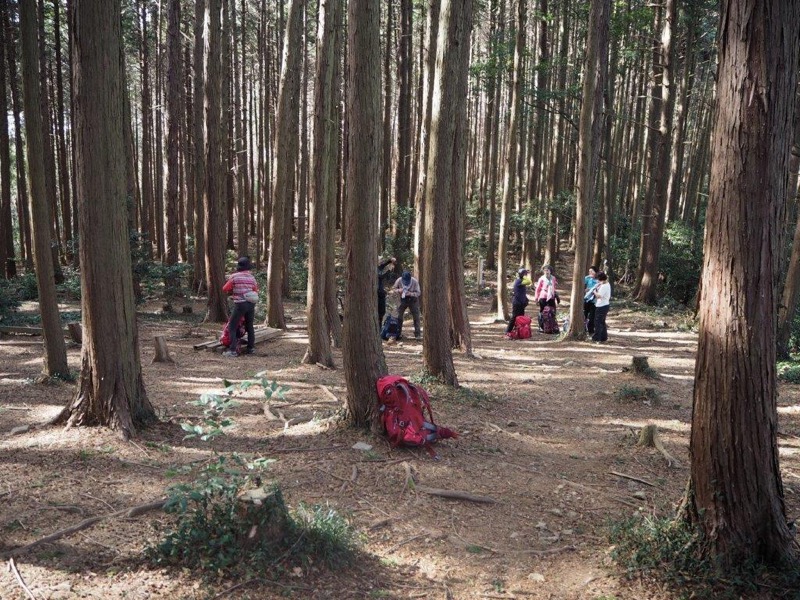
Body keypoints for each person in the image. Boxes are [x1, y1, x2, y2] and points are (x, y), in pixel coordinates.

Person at [222, 256, 258, 356]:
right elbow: (255, 289)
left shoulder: (234, 277)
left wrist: (234, 290)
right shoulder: (252, 277)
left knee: (232, 326)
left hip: (240, 305)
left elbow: (225, 288)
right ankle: (251, 349)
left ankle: (233, 350)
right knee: (250, 326)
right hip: (251, 304)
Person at [391, 271, 422, 340]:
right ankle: (398, 334)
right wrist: (399, 290)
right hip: (402, 300)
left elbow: (418, 292)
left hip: (413, 300)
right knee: (399, 316)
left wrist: (410, 293)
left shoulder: (414, 282)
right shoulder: (399, 280)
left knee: (416, 316)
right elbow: (393, 289)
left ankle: (418, 334)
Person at [506, 268, 531, 334]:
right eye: (525, 274)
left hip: (521, 303)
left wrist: (525, 300)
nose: (526, 275)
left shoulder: (521, 281)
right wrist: (525, 275)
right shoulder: (519, 281)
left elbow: (521, 293)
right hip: (517, 303)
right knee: (514, 317)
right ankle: (507, 331)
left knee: (521, 318)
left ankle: (519, 331)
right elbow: (529, 281)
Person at [377, 257, 397, 327]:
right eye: (380, 260)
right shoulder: (374, 269)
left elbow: (383, 265)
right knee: (380, 311)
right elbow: (380, 277)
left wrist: (390, 260)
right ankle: (378, 327)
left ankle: (379, 327)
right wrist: (389, 270)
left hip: (381, 293)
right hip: (378, 293)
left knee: (382, 312)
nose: (381, 262)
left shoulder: (378, 268)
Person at [592, 271, 611, 343]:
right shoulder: (607, 284)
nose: (597, 281)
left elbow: (599, 296)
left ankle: (597, 338)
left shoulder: (604, 286)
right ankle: (603, 337)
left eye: (597, 279)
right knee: (602, 322)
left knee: (598, 322)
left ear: (600, 279)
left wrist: (594, 292)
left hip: (601, 306)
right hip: (605, 305)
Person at [583, 266, 599, 334]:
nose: (590, 272)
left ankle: (591, 331)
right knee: (584, 314)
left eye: (592, 271)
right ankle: (583, 329)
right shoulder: (587, 278)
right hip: (586, 299)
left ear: (596, 272)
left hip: (594, 301)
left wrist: (594, 291)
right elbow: (580, 285)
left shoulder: (599, 280)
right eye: (589, 271)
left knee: (592, 316)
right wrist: (585, 290)